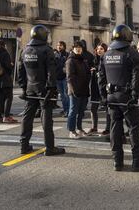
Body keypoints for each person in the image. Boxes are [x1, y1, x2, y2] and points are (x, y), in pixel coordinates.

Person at [99, 24, 139, 172]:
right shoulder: (130, 52)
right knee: (134, 128)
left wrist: (104, 97)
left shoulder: (107, 54)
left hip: (111, 96)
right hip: (126, 96)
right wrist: (135, 95)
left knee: (115, 128)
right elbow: (137, 75)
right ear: (128, 37)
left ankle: (117, 161)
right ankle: (137, 161)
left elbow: (101, 78)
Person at [17, 25, 65, 156]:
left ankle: (24, 145)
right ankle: (50, 147)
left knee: (27, 117)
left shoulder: (25, 50)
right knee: (46, 119)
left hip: (30, 88)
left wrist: (23, 87)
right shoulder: (46, 50)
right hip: (44, 89)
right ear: (43, 35)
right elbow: (51, 72)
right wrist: (51, 88)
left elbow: (20, 71)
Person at [66, 41, 91, 139]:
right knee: (73, 111)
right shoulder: (70, 61)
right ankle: (71, 130)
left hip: (84, 90)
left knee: (81, 111)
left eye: (80, 47)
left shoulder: (83, 60)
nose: (78, 49)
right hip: (75, 91)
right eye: (76, 47)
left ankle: (79, 128)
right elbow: (70, 78)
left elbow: (87, 73)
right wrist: (74, 90)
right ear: (73, 49)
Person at [88, 43, 110, 136]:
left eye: (101, 49)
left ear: (105, 50)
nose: (99, 51)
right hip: (94, 87)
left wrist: (97, 71)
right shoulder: (94, 60)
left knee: (107, 108)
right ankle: (94, 127)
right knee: (93, 108)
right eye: (98, 49)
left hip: (104, 88)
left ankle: (108, 128)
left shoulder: (107, 59)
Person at [54, 41, 69, 117]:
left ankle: (68, 110)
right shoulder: (55, 55)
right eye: (58, 45)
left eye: (60, 45)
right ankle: (65, 109)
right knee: (62, 96)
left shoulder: (67, 54)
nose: (59, 47)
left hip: (65, 78)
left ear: (64, 46)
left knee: (66, 95)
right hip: (57, 77)